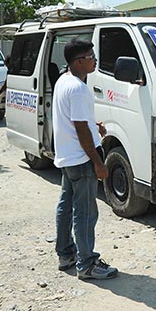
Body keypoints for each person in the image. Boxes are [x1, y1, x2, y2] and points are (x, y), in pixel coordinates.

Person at [53, 38, 117, 280]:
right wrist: (98, 163)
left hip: (68, 157)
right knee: (86, 212)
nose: (95, 60)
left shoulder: (64, 80)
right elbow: (80, 129)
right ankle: (87, 264)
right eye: (91, 57)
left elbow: (77, 122)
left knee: (66, 206)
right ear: (79, 61)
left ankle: (66, 254)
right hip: (82, 159)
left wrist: (94, 126)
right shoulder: (79, 89)